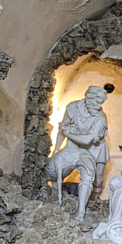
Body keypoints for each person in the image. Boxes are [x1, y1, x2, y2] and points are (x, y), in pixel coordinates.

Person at [48, 85, 109, 221]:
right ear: (88, 98)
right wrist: (56, 150)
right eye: (97, 102)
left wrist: (68, 133)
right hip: (75, 147)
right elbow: (62, 128)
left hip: (94, 148)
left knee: (97, 179)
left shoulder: (101, 118)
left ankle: (92, 203)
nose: (99, 106)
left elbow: (87, 140)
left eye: (101, 103)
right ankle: (80, 211)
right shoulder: (72, 107)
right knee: (83, 175)